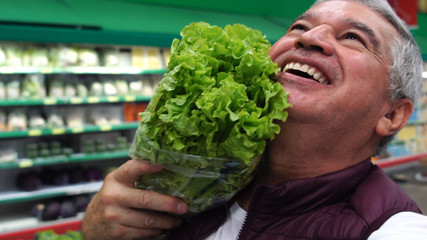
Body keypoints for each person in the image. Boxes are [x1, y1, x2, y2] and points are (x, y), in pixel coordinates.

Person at [82, 0, 427, 239]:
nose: (309, 37)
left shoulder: (393, 229)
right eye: (299, 26)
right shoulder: (196, 189)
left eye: (353, 37)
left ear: (392, 114)